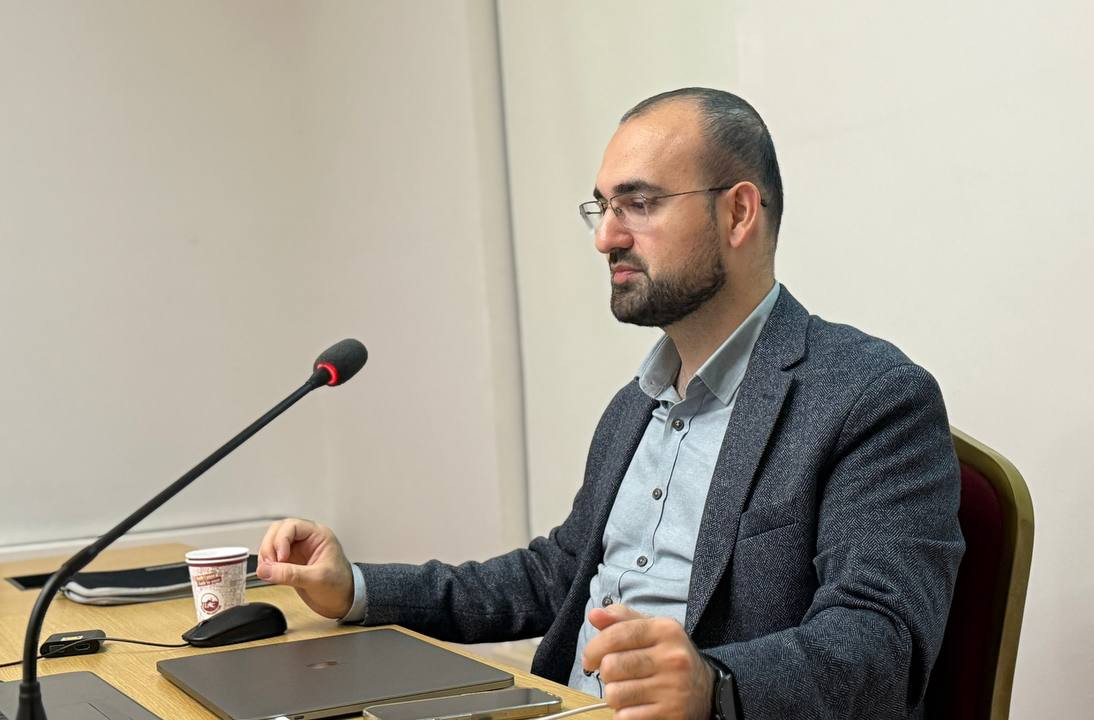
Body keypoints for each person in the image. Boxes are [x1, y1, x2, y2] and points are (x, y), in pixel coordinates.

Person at [258, 88, 964, 720]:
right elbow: (557, 575)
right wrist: (355, 587)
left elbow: (883, 642)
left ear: (738, 212)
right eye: (603, 207)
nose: (606, 237)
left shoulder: (869, 397)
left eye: (640, 203)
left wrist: (714, 684)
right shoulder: (637, 404)